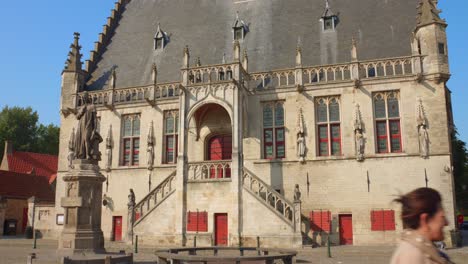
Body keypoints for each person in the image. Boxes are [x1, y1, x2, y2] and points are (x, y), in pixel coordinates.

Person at [390, 188, 454, 264]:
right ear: (425, 220)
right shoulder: (412, 255)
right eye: (442, 217)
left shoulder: (425, 250)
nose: (447, 223)